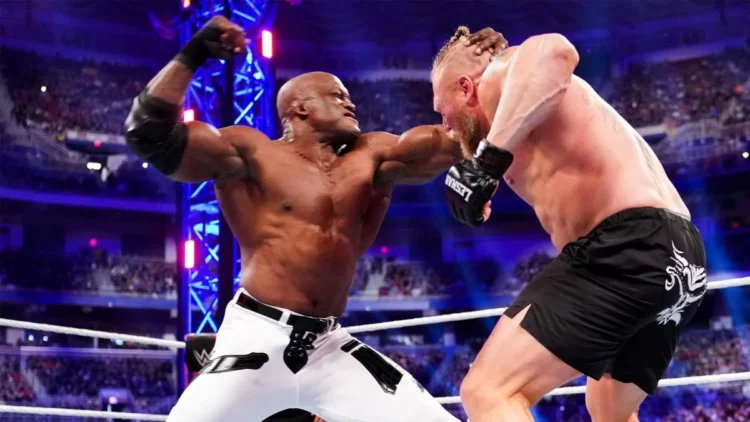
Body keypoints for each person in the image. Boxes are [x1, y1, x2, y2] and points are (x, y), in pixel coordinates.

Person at [125, 16, 506, 422]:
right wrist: (194, 53)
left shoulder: (373, 155)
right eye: (336, 96)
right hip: (255, 336)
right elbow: (147, 133)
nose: (350, 103)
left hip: (327, 345)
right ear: (300, 108)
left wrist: (493, 73)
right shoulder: (252, 153)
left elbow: (462, 135)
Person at [434, 27, 707, 421]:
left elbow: (556, 50)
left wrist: (488, 162)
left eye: (440, 109)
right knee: (610, 410)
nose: (445, 124)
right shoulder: (519, 116)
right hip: (680, 257)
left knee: (488, 391)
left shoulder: (500, 75)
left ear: (465, 87)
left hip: (625, 245)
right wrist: (479, 174)